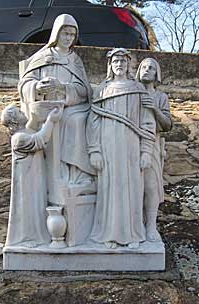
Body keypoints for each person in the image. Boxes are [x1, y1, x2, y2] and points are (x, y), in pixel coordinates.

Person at [87, 48, 156, 249]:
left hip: (132, 148)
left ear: (128, 65)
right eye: (115, 62)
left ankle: (133, 235)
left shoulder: (138, 89)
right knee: (109, 190)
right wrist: (95, 151)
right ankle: (109, 235)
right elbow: (93, 123)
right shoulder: (101, 90)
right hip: (107, 148)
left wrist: (146, 151)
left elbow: (147, 123)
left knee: (132, 190)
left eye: (123, 62)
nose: (119, 65)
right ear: (110, 65)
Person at [18, 14, 95, 187]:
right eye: (65, 33)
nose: (68, 38)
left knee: (76, 120)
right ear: (56, 34)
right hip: (44, 108)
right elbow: (24, 84)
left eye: (71, 35)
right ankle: (53, 177)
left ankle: (74, 173)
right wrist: (37, 87)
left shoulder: (75, 60)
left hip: (72, 107)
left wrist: (62, 88)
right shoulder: (42, 57)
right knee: (55, 120)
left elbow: (84, 91)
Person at [2, 105, 62, 248]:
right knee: (28, 208)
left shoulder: (26, 131)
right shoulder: (18, 138)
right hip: (26, 182)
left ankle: (37, 235)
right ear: (15, 122)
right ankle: (26, 238)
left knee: (37, 206)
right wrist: (51, 120)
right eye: (20, 113)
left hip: (35, 177)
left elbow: (35, 130)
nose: (23, 112)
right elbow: (40, 140)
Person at [136, 58, 172, 241]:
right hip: (131, 144)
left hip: (153, 145)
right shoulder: (131, 93)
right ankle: (134, 226)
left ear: (157, 73)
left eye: (151, 67)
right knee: (133, 187)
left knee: (150, 186)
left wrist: (155, 109)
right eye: (144, 67)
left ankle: (150, 226)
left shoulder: (161, 97)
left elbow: (167, 126)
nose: (147, 70)